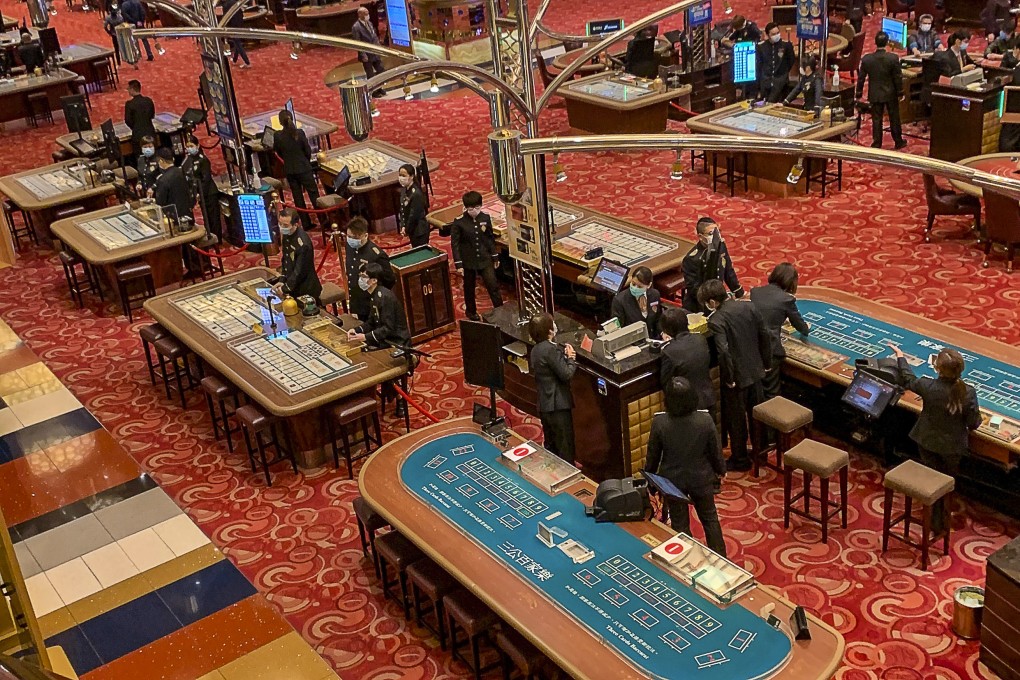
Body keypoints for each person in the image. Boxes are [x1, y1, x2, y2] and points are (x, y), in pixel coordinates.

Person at [891, 345, 980, 534]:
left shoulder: (928, 386)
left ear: (938, 369)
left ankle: (933, 517)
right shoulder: (969, 392)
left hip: (926, 442)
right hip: (952, 448)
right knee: (946, 483)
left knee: (932, 477)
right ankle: (940, 521)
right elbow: (974, 423)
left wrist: (900, 356)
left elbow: (908, 378)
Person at [645, 377, 727, 556]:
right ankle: (722, 561)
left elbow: (653, 456)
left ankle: (686, 561)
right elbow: (715, 451)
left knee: (679, 525)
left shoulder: (660, 422)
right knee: (710, 519)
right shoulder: (705, 420)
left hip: (673, 483)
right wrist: (721, 471)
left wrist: (651, 482)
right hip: (701, 478)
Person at [698, 280, 771, 472]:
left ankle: (740, 459)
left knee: (736, 420)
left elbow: (723, 352)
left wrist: (729, 378)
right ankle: (761, 452)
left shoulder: (716, 320)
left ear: (712, 302)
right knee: (758, 414)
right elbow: (764, 334)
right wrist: (766, 363)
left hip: (736, 379)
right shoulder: (749, 306)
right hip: (756, 370)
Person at [750, 263, 811, 399]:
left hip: (751, 346)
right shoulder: (787, 299)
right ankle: (772, 417)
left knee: (757, 390)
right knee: (772, 393)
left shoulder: (755, 292)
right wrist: (806, 328)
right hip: (770, 350)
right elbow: (801, 326)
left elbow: (764, 313)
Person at [528, 313, 576, 463]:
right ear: (550, 331)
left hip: (544, 405)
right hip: (558, 406)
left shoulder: (535, 350)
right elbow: (566, 374)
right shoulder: (550, 350)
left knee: (551, 447)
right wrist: (571, 359)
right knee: (565, 448)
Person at [450, 191, 502, 321]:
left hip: (484, 258)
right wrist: (458, 263)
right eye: (471, 208)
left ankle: (501, 309)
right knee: (469, 288)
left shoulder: (485, 218)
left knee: (493, 285)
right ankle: (471, 312)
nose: (474, 211)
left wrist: (495, 256)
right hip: (468, 261)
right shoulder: (459, 222)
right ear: (466, 208)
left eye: (477, 208)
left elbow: (489, 238)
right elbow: (455, 245)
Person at [659, 308, 716, 421]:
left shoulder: (669, 351)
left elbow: (665, 382)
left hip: (686, 409)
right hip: (708, 398)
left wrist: (668, 343)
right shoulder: (700, 339)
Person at [272, 109, 320, 233]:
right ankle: (323, 219)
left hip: (290, 170)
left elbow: (278, 152)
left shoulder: (277, 136)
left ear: (280, 122)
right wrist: (305, 161)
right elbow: (307, 151)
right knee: (314, 194)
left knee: (298, 197)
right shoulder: (299, 133)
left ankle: (306, 223)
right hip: (304, 168)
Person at [856, 32, 907, 150]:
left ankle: (877, 143)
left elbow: (861, 78)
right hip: (891, 93)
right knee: (894, 117)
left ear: (875, 43)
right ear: (887, 42)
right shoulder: (893, 58)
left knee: (876, 119)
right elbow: (897, 77)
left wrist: (858, 93)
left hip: (875, 93)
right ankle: (898, 141)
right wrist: (900, 92)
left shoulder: (867, 59)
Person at [681, 217, 744, 313]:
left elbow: (728, 270)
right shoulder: (692, 259)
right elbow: (694, 289)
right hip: (700, 305)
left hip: (718, 299)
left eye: (716, 232)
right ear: (700, 236)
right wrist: (712, 303)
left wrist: (739, 293)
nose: (715, 236)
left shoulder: (720, 246)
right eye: (710, 234)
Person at [347, 262, 410, 349]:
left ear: (374, 280)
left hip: (396, 342)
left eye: (364, 277)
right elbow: (371, 321)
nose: (361, 279)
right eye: (360, 275)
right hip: (384, 338)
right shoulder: (374, 295)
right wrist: (357, 330)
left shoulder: (385, 298)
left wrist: (365, 337)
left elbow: (388, 328)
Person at [344, 216, 394, 320]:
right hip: (356, 300)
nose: (351, 240)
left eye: (355, 237)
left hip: (371, 304)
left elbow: (389, 280)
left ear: (365, 235)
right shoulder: (349, 246)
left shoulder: (376, 254)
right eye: (349, 236)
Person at [272, 207, 322, 301]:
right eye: (280, 224)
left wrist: (285, 288)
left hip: (305, 289)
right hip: (292, 285)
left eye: (285, 225)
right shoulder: (287, 235)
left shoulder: (303, 244)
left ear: (295, 224)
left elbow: (299, 271)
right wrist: (282, 279)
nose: (282, 227)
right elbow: (286, 259)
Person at [181, 136, 221, 239]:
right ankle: (209, 235)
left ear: (197, 146)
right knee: (206, 216)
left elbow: (206, 179)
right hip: (199, 193)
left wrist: (200, 193)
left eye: (191, 146)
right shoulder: (188, 159)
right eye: (187, 146)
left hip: (209, 192)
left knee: (213, 218)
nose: (189, 148)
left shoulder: (203, 160)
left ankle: (217, 238)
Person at [610, 266, 661, 338]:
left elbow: (658, 319)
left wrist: (662, 333)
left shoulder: (655, 294)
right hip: (632, 341)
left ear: (649, 285)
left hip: (653, 338)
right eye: (633, 284)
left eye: (640, 287)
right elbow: (618, 329)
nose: (635, 288)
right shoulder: (619, 300)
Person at [351, 7, 386, 97]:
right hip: (366, 55)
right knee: (370, 74)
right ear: (360, 15)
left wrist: (379, 48)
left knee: (381, 70)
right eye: (365, 13)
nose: (367, 15)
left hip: (375, 52)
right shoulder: (356, 27)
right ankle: (374, 91)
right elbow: (358, 43)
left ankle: (380, 88)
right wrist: (363, 55)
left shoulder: (369, 23)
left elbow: (374, 37)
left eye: (368, 13)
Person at [757, 23, 794, 103]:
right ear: (768, 35)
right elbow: (759, 64)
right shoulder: (761, 47)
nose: (776, 35)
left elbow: (791, 61)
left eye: (777, 33)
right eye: (773, 34)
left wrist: (783, 74)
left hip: (781, 82)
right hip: (766, 81)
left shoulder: (786, 45)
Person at [397, 164, 429, 247]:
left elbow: (413, 215)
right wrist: (403, 226)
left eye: (404, 175)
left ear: (411, 176)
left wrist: (406, 230)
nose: (401, 178)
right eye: (400, 175)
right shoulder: (404, 190)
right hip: (411, 229)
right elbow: (402, 210)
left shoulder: (416, 194)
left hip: (419, 231)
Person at [124, 80, 156, 156]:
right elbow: (152, 115)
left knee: (140, 158)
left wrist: (136, 127)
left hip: (138, 135)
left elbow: (128, 120)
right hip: (150, 132)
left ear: (132, 89)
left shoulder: (129, 104)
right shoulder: (148, 101)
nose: (128, 91)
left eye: (128, 89)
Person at [223, 0, 251, 68]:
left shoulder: (225, 5)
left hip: (233, 26)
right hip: (239, 24)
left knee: (237, 42)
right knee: (237, 42)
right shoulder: (235, 2)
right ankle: (235, 60)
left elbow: (226, 18)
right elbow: (241, 13)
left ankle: (247, 62)